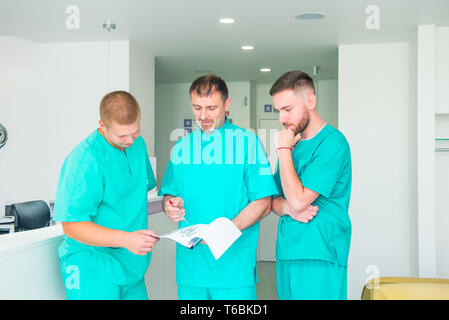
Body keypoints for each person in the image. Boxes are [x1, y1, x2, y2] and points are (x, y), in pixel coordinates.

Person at [158, 74, 279, 300]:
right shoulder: (182, 147)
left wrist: (224, 231)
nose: (203, 116)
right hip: (191, 269)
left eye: (211, 108)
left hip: (233, 268)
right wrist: (170, 205)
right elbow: (169, 194)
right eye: (197, 107)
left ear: (227, 104)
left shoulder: (248, 143)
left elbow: (263, 203)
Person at [53, 91, 159, 300]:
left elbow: (134, 194)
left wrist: (168, 203)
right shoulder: (84, 160)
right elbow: (71, 226)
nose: (130, 140)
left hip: (131, 266)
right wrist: (126, 239)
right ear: (102, 125)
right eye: (122, 135)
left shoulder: (138, 145)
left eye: (135, 132)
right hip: (91, 267)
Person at [270, 70, 352, 300]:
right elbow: (273, 202)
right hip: (287, 251)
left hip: (320, 251)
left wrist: (283, 149)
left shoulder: (333, 143)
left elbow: (298, 200)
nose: (281, 119)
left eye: (287, 109)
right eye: (279, 111)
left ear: (310, 101)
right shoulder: (293, 145)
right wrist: (286, 208)